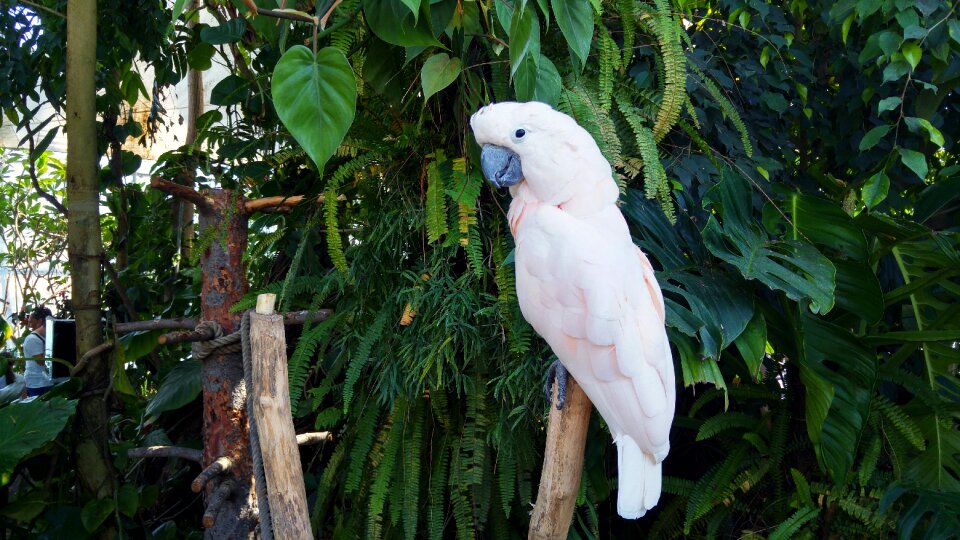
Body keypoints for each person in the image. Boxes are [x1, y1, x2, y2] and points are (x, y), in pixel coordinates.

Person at [22, 306, 52, 397]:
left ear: (40, 321)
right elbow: (41, 361)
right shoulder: (32, 339)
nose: (29, 325)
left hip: (46, 381)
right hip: (37, 382)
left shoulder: (44, 337)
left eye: (32, 321)